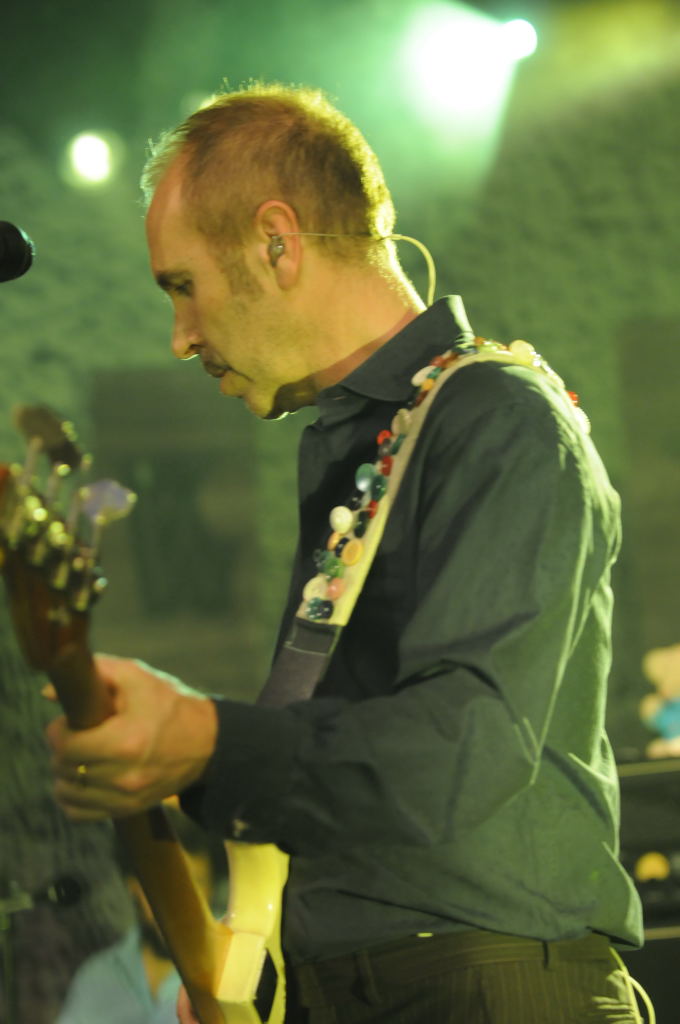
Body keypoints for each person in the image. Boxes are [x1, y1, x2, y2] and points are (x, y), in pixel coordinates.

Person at [45, 83, 644, 1023]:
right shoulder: (365, 440)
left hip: (492, 982)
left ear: (276, 242)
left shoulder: (501, 420)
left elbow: (461, 749)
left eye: (183, 286)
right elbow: (356, 770)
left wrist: (204, 739)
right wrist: (269, 969)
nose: (180, 338)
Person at [55, 805, 226, 1024]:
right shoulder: (97, 976)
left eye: (196, 885)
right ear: (134, 885)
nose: (179, 905)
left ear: (212, 886)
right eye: (164, 885)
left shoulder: (238, 962)